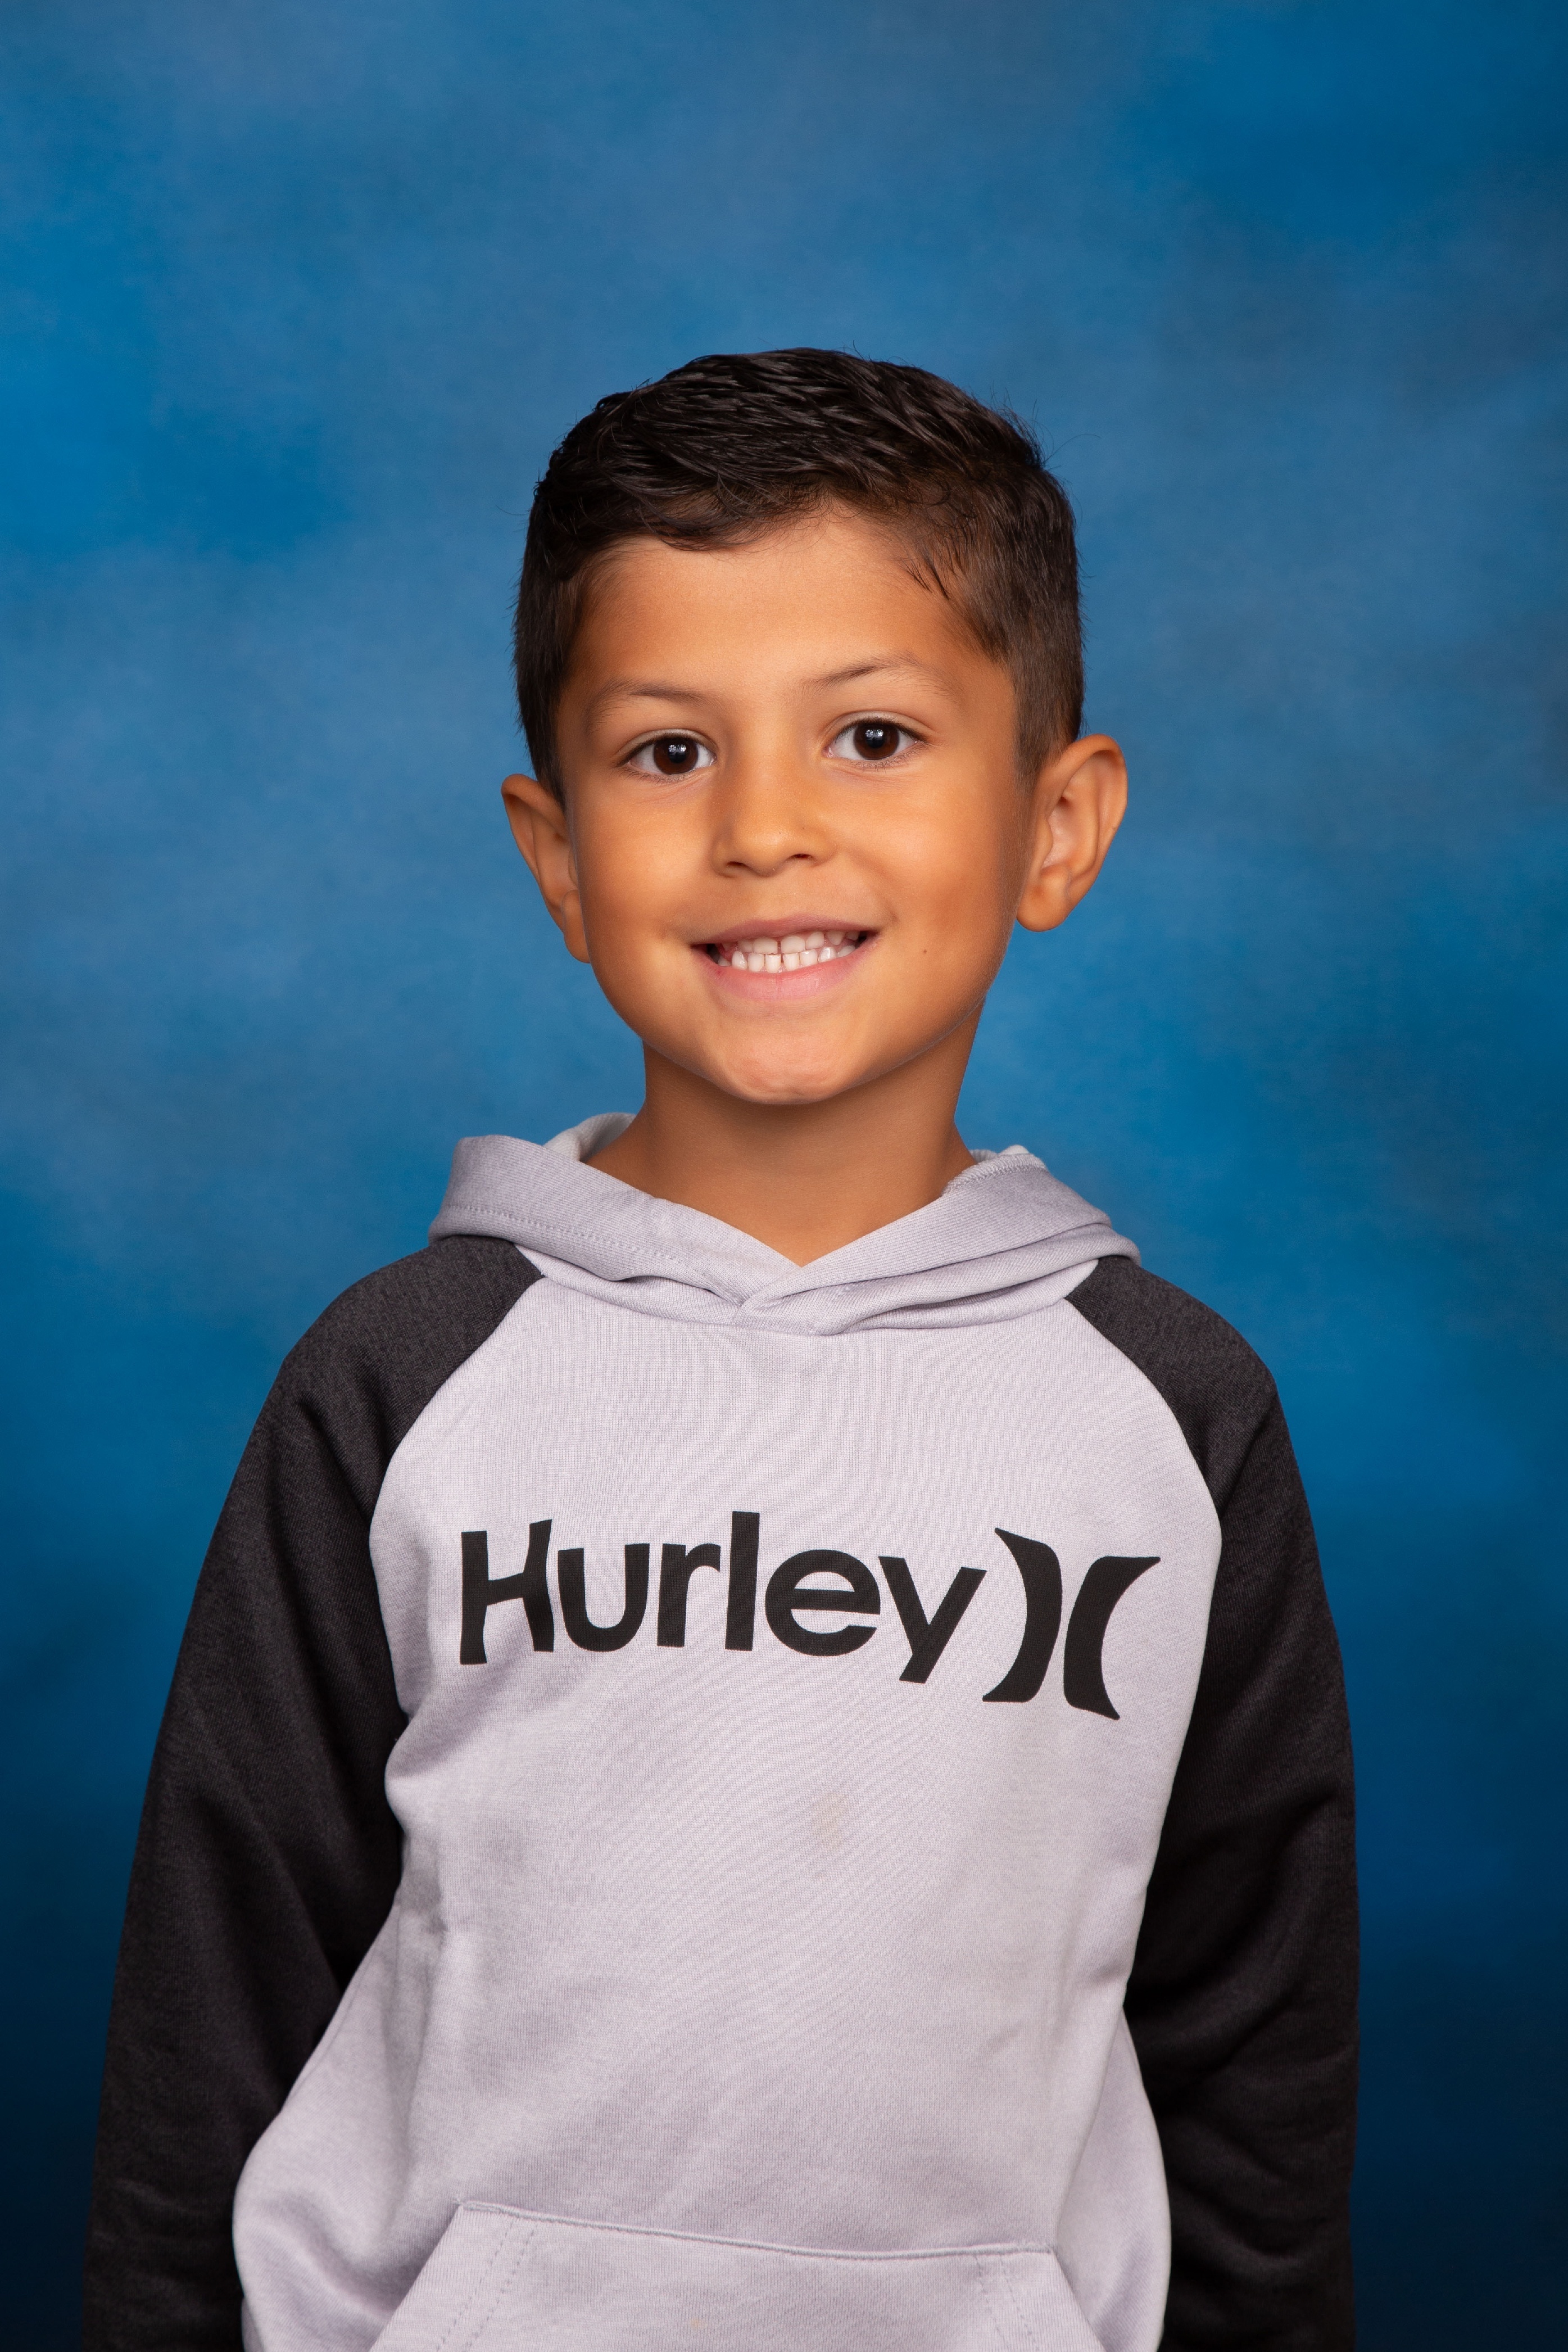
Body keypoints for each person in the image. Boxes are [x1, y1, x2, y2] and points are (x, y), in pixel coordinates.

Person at [84, 349, 1357, 2352]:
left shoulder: (1174, 1417)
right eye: (670, 752)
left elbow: (1251, 2047)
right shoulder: (406, 1375)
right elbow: (217, 1984)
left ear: (1058, 824)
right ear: (559, 857)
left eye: (873, 735)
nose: (766, 828)